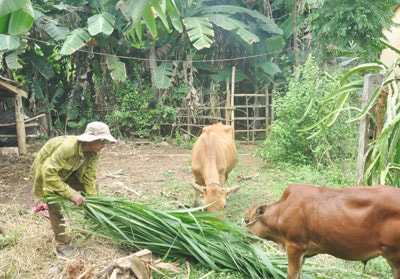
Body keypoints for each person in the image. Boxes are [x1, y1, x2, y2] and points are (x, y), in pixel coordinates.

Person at [31, 121, 117, 256]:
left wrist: (94, 203)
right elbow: (48, 173)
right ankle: (62, 244)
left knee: (93, 187)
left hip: (67, 173)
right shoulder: (68, 148)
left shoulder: (94, 152)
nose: (104, 145)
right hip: (47, 173)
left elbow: (89, 175)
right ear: (92, 140)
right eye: (102, 141)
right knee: (54, 204)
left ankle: (86, 227)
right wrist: (71, 194)